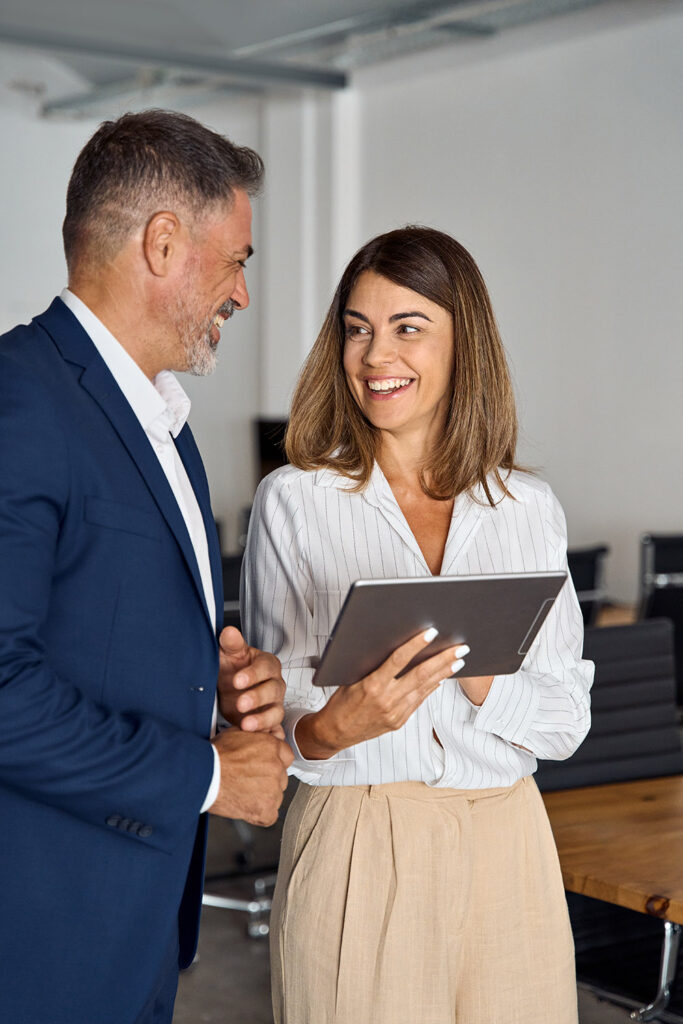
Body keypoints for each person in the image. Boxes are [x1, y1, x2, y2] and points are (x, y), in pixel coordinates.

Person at [242, 226, 594, 1024]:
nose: (375, 356)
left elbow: (567, 720)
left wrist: (481, 681)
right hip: (360, 835)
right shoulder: (295, 502)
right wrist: (333, 724)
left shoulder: (525, 508)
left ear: (462, 342)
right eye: (357, 329)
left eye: (407, 327)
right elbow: (271, 716)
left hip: (507, 836)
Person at [0, 109, 293, 1024]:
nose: (242, 294)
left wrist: (205, 677)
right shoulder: (19, 404)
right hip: (41, 940)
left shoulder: (161, 421)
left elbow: (85, 625)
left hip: (130, 926)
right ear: (163, 244)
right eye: (237, 259)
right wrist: (209, 776)